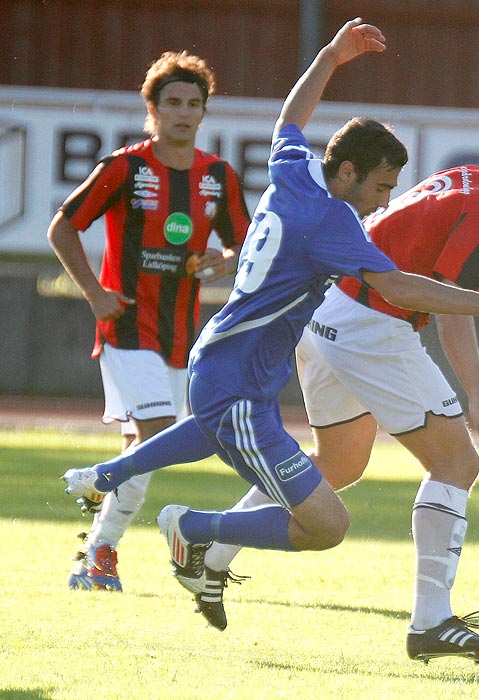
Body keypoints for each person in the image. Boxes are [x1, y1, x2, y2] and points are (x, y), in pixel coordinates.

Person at [62, 17, 479, 664]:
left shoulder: (294, 173)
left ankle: (125, 488)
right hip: (241, 381)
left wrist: (329, 57)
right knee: (328, 523)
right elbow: (402, 289)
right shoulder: (333, 224)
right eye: (380, 188)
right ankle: (189, 527)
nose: (383, 202)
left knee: (315, 467)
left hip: (234, 367)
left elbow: (288, 121)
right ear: (348, 173)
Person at [177, 124, 479, 659]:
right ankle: (431, 622)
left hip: (325, 314)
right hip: (369, 325)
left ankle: (212, 551)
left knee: (338, 464)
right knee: (457, 463)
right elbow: (451, 310)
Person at [49, 49, 250, 591]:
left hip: (182, 336)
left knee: (145, 445)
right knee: (158, 434)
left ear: (204, 112)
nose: (183, 112)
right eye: (172, 102)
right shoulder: (124, 167)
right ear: (152, 108)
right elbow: (63, 226)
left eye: (194, 103)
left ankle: (93, 544)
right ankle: (102, 553)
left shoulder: (218, 176)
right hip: (126, 327)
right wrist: (94, 293)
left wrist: (224, 260)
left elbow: (243, 244)